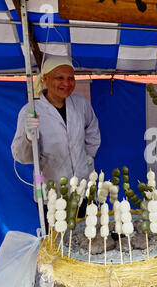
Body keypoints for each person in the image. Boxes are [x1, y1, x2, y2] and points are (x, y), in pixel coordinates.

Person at [11, 55, 101, 229]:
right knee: (57, 244)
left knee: (87, 237)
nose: (66, 84)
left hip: (82, 187)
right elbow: (20, 156)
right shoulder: (31, 111)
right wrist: (29, 138)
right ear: (45, 79)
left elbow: (93, 132)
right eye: (59, 78)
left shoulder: (81, 104)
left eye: (70, 78)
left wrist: (88, 157)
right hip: (50, 194)